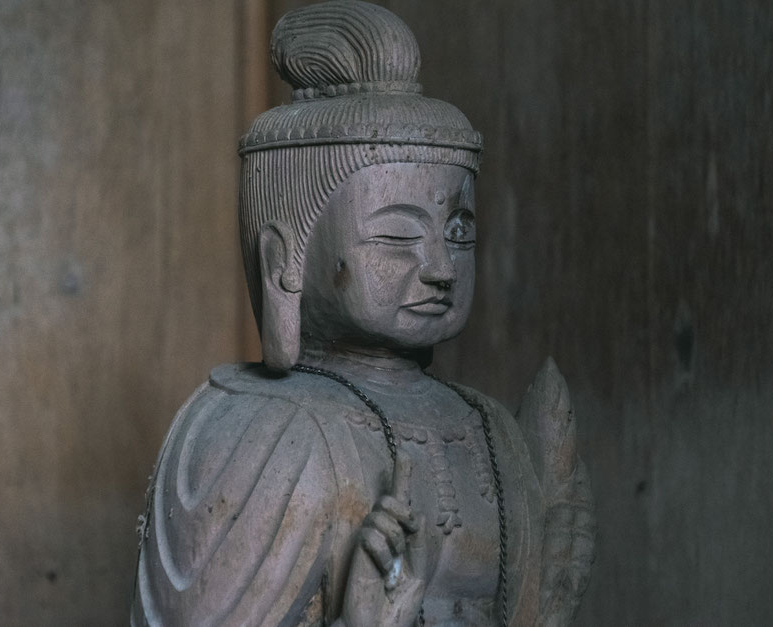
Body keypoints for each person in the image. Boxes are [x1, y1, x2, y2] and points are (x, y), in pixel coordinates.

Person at [131, 2, 593, 625]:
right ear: (285, 257)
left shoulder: (493, 430)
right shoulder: (260, 431)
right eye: (398, 234)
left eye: (458, 230)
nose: (440, 266)